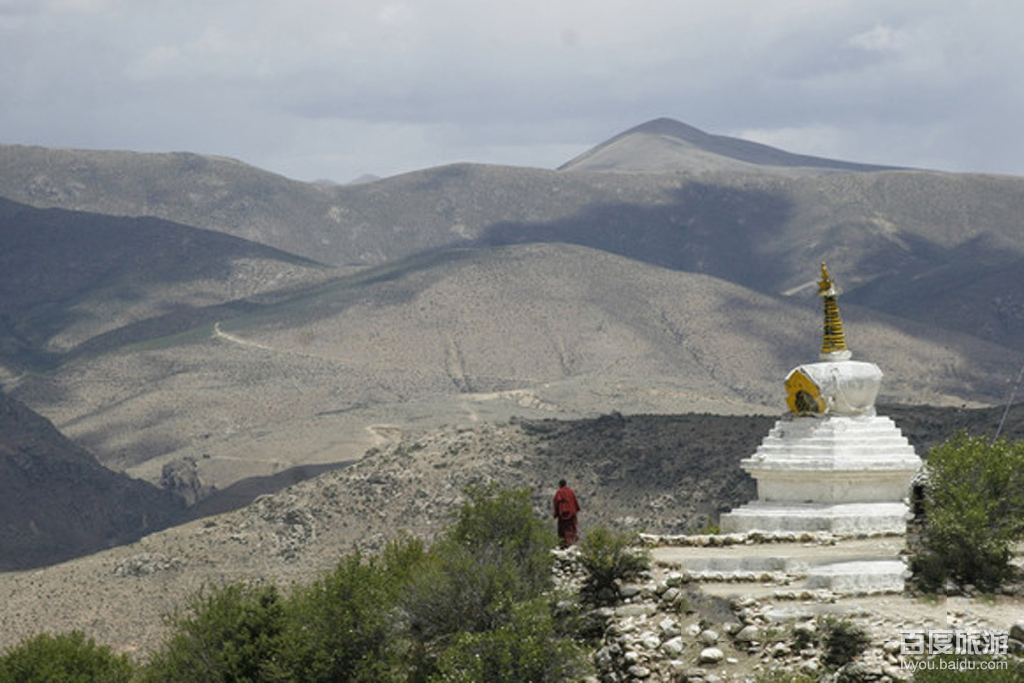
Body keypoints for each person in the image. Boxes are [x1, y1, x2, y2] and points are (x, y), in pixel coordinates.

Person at [553, 479, 581, 547]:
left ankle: (563, 544)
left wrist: (555, 513)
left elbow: (556, 503)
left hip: (562, 516)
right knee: (571, 529)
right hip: (571, 514)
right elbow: (574, 501)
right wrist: (575, 510)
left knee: (563, 530)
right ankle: (571, 543)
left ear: (560, 485)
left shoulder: (559, 492)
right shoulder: (570, 492)